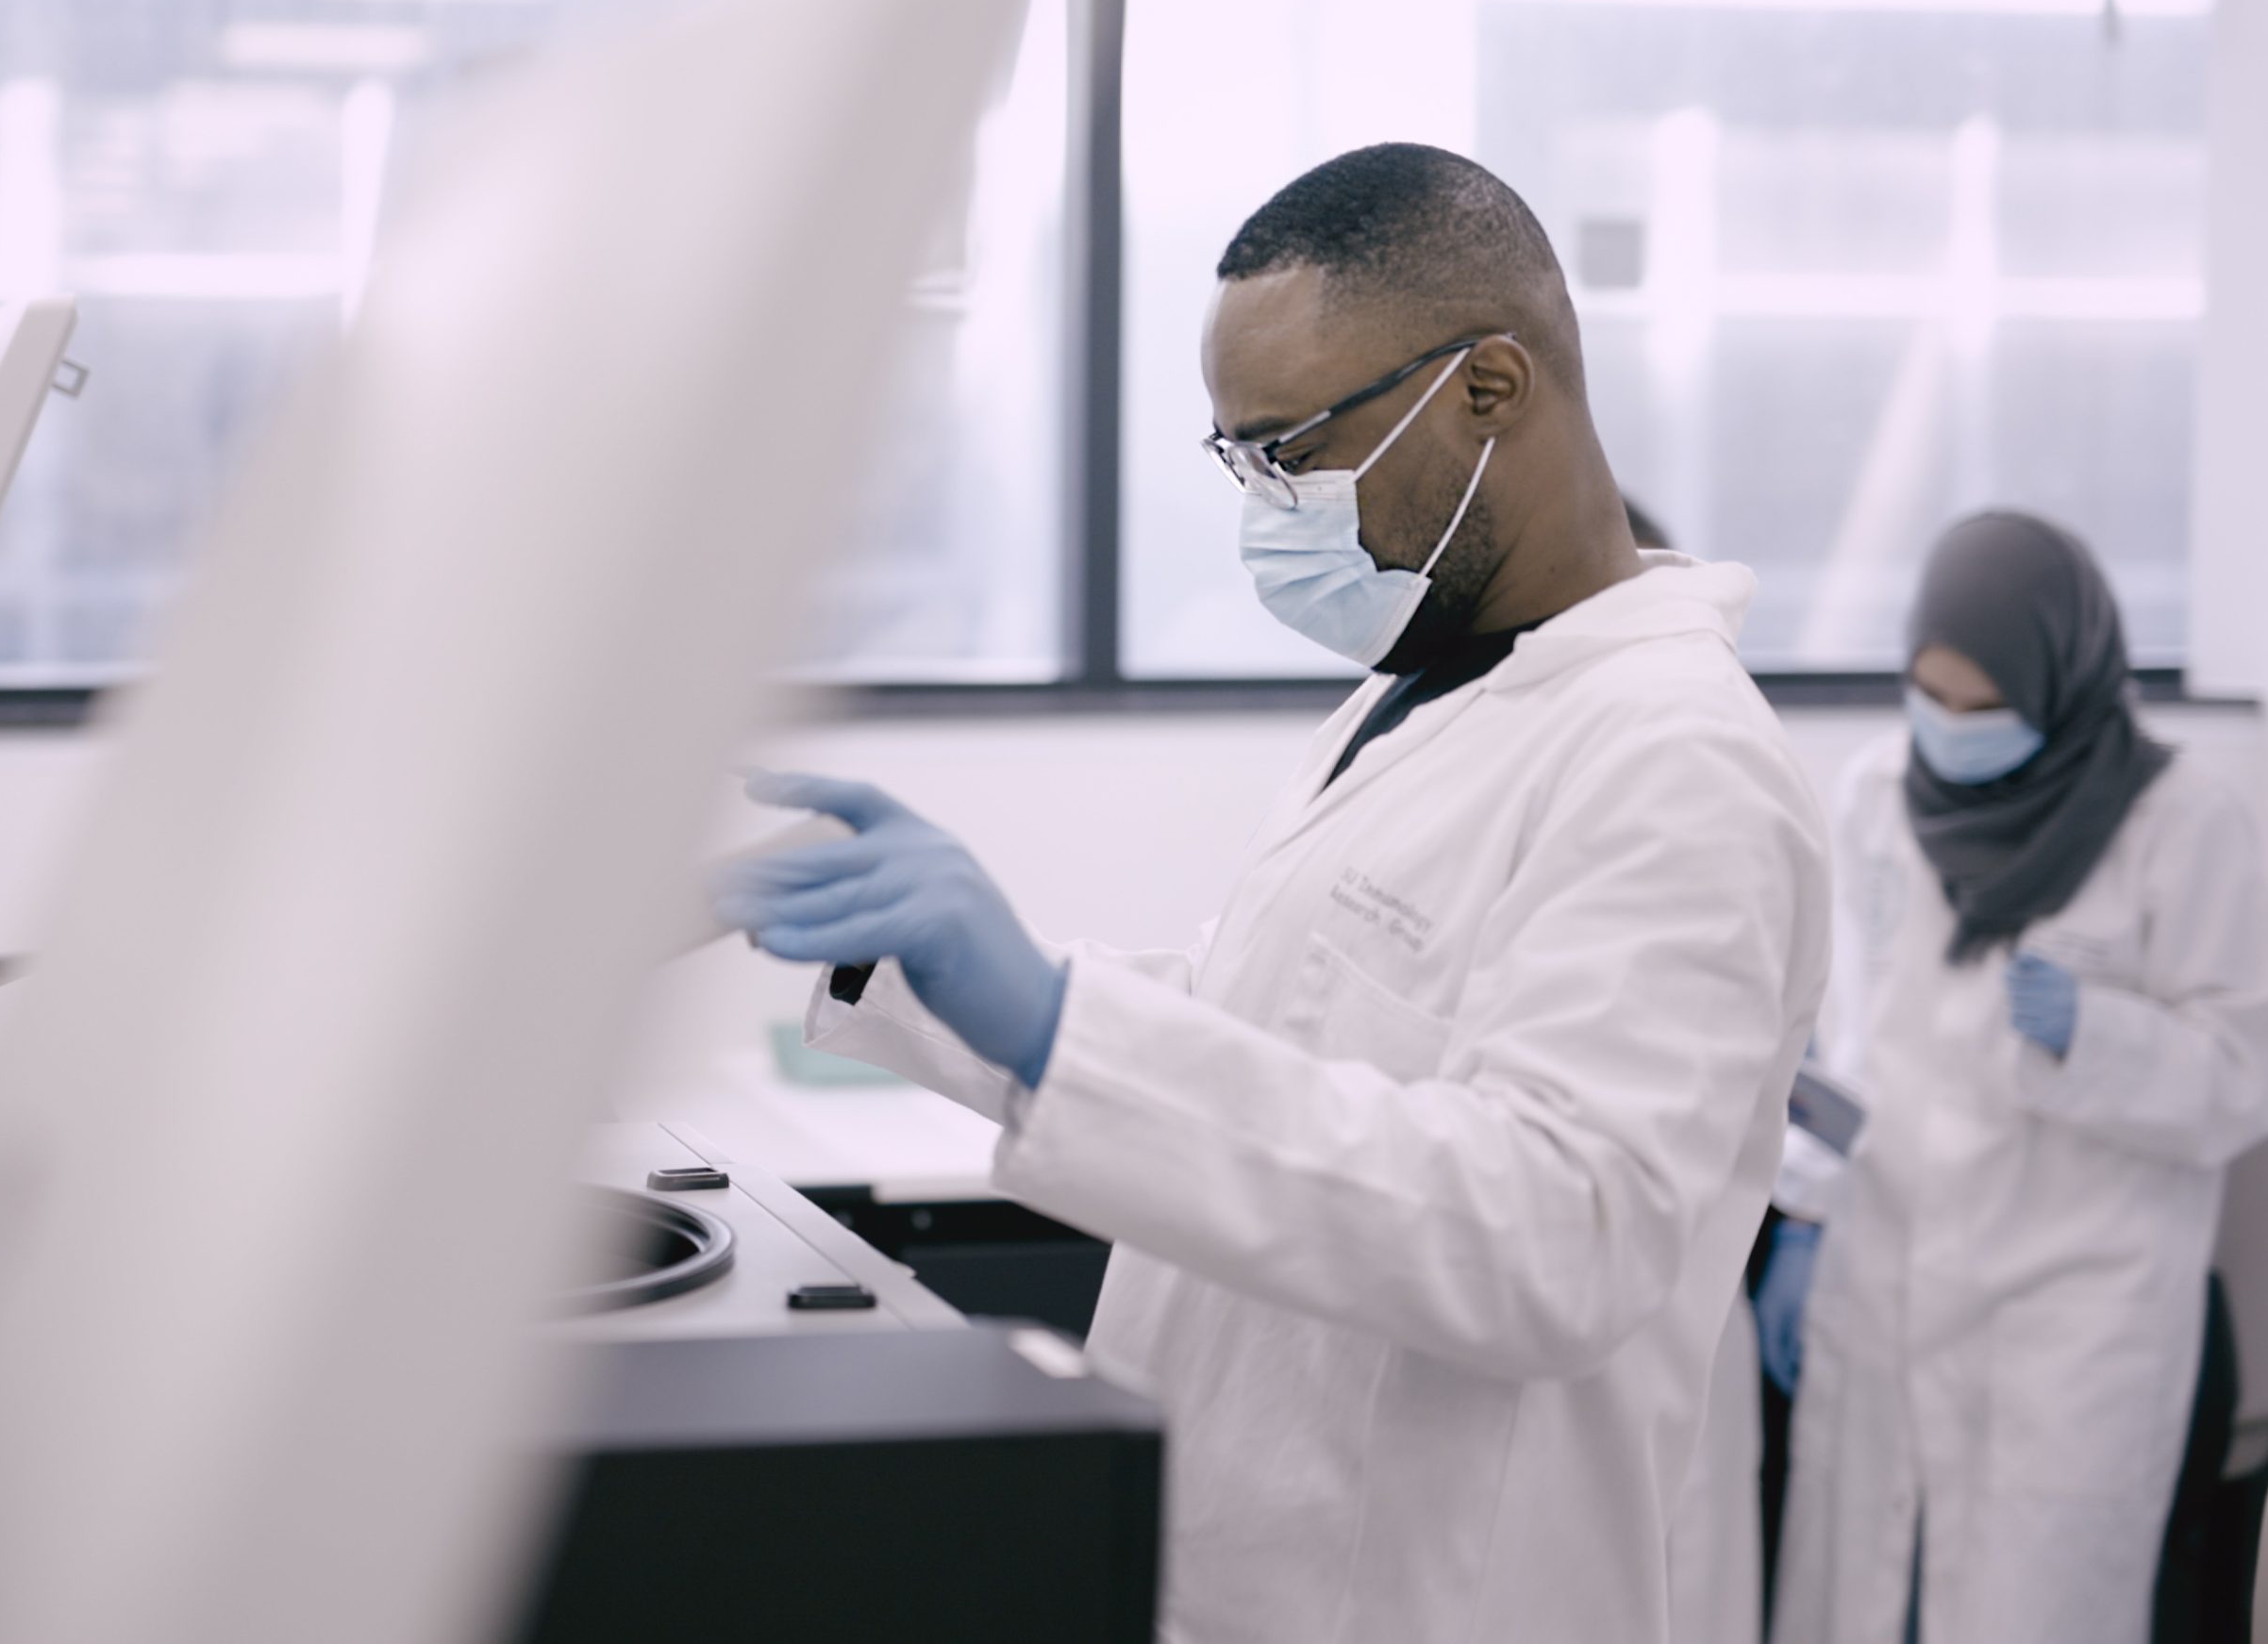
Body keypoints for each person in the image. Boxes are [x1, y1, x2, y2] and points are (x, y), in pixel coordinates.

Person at [711, 143, 1832, 1643]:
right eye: (1238, 460)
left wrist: (1059, 1028)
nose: (1268, 507)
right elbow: (1289, 1046)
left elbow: (1560, 1233)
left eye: (1291, 447)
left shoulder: (1678, 757)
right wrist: (914, 968)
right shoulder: (1433, 693)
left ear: (1490, 387)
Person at [1760, 511, 2268, 1644]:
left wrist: (2103, 1038)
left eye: (1983, 708)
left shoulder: (2180, 826)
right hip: (1880, 1272)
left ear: (2061, 680)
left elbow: (2241, 1076)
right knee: (1854, 1594)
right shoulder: (1877, 796)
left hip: (2071, 1315)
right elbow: (1848, 1038)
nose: (1949, 730)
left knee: (2032, 1606)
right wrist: (1797, 1218)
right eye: (1927, 694)